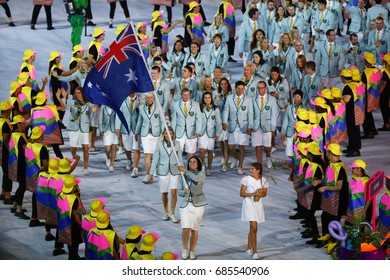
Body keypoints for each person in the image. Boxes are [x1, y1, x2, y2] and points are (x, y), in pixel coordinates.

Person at [316, 143, 349, 251]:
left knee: (333, 222)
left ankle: (334, 244)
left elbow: (339, 186)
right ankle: (326, 239)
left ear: (330, 153)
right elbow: (328, 180)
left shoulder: (339, 168)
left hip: (337, 201)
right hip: (328, 200)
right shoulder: (331, 164)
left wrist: (325, 188)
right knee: (324, 217)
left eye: (328, 152)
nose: (326, 154)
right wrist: (320, 181)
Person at [149, 126, 183, 222]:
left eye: (171, 133)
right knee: (164, 193)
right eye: (167, 133)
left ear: (173, 134)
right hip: (163, 171)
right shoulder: (159, 144)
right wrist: (151, 174)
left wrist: (182, 171)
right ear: (164, 134)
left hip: (174, 170)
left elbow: (180, 159)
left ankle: (172, 213)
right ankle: (166, 212)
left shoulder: (177, 144)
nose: (169, 135)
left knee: (174, 192)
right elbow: (155, 158)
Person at [178, 156, 207, 260]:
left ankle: (192, 250)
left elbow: (197, 180)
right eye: (190, 162)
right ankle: (185, 249)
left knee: (194, 229)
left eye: (194, 162)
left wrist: (185, 171)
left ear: (198, 164)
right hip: (185, 205)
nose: (192, 163)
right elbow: (179, 191)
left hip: (198, 205)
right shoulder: (182, 175)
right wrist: (184, 192)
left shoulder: (201, 173)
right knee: (186, 228)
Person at [222, 81, 253, 175]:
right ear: (235, 88)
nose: (240, 90)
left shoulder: (248, 99)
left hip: (243, 125)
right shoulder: (229, 98)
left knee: (241, 146)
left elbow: (250, 113)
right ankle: (236, 157)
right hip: (232, 125)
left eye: (242, 89)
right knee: (231, 147)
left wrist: (250, 126)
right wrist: (224, 122)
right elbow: (226, 110)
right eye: (238, 88)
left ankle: (240, 166)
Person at [240, 162, 268, 260]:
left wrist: (261, 194)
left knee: (252, 228)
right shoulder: (246, 179)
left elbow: (265, 194)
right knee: (254, 227)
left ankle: (248, 247)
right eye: (250, 169)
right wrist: (253, 194)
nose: (250, 170)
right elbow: (242, 193)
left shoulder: (263, 181)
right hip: (248, 205)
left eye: (252, 169)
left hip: (258, 205)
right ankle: (255, 251)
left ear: (258, 170)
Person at [134, 92, 165, 183]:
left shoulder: (159, 107)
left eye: (151, 97)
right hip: (145, 134)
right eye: (147, 98)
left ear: (154, 98)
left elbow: (162, 122)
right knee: (147, 155)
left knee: (155, 155)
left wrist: (163, 134)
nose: (149, 99)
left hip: (156, 134)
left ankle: (154, 170)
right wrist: (136, 132)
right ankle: (148, 176)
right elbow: (140, 121)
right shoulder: (141, 108)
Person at [25, 126, 49, 227]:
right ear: (40, 136)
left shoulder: (28, 145)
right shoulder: (41, 148)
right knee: (39, 198)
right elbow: (45, 165)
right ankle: (35, 218)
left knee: (34, 197)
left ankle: (34, 218)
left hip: (30, 175)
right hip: (40, 177)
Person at [57, 175, 84, 260]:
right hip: (73, 225)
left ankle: (74, 256)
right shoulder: (74, 199)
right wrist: (81, 224)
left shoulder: (61, 194)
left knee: (70, 243)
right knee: (74, 244)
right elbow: (75, 214)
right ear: (73, 187)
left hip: (64, 223)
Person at [31, 91, 65, 159]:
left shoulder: (33, 110)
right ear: (45, 100)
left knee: (40, 150)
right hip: (51, 134)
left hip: (39, 135)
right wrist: (59, 97)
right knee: (56, 150)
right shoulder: (51, 107)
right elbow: (63, 107)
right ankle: (62, 163)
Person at [253, 81, 278, 169]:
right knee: (258, 147)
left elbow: (274, 115)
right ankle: (259, 166)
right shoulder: (253, 99)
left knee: (267, 147)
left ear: (265, 88)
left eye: (262, 88)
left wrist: (273, 129)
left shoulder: (272, 99)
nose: (260, 90)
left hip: (267, 126)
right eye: (259, 88)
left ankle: (268, 156)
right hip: (256, 126)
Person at [171, 88, 202, 159]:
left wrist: (198, 131)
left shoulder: (195, 105)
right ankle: (179, 169)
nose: (186, 96)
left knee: (190, 153)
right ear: (181, 95)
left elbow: (199, 119)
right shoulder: (175, 105)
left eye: (188, 95)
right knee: (178, 153)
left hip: (192, 132)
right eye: (184, 95)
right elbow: (174, 120)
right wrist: (173, 133)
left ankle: (189, 169)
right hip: (179, 133)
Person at [115, 92, 141, 175]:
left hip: (136, 128)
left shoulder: (140, 100)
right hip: (125, 127)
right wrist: (117, 127)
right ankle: (129, 160)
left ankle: (136, 167)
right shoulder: (122, 100)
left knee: (136, 148)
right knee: (127, 147)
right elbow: (119, 114)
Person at [67, 87, 91, 175]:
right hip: (74, 128)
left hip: (84, 128)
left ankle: (85, 167)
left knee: (85, 148)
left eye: (79, 93)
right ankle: (75, 157)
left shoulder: (88, 104)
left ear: (82, 93)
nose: (77, 95)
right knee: (73, 148)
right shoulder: (72, 103)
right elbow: (63, 108)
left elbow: (91, 114)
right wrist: (60, 98)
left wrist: (93, 111)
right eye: (76, 93)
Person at [8, 115, 29, 220]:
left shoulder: (14, 134)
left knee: (21, 186)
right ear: (18, 124)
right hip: (22, 164)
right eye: (23, 123)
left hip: (16, 163)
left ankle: (15, 205)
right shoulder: (20, 136)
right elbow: (27, 150)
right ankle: (18, 209)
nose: (24, 124)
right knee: (23, 186)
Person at [198, 92, 222, 175]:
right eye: (205, 97)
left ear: (211, 98)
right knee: (201, 150)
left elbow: (219, 122)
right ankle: (203, 165)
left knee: (210, 151)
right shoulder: (200, 108)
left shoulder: (215, 109)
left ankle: (209, 168)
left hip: (211, 132)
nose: (207, 99)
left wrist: (218, 133)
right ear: (203, 98)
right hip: (202, 132)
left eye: (209, 97)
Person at [361, 52, 382, 139]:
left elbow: (363, 86)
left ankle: (368, 132)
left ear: (366, 61)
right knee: (369, 113)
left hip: (367, 96)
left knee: (365, 114)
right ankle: (373, 129)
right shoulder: (378, 70)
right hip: (376, 96)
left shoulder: (365, 72)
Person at [344, 159, 371, 225]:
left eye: (353, 168)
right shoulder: (353, 178)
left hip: (360, 210)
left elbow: (369, 198)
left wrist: (364, 212)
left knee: (357, 230)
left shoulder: (366, 181)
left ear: (359, 169)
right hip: (350, 209)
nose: (352, 170)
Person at [0, 101, 13, 205]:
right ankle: (8, 195)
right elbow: (5, 139)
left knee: (5, 171)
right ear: (7, 111)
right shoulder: (5, 123)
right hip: (4, 150)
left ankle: (3, 192)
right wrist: (10, 151)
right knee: (8, 172)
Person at [99, 105, 118, 172]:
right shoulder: (103, 106)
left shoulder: (116, 105)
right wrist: (101, 129)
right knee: (108, 148)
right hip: (106, 130)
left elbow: (119, 118)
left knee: (114, 147)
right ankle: (108, 157)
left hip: (115, 129)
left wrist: (118, 129)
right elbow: (100, 118)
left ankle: (112, 165)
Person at [379, 54, 390, 131]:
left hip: (385, 93)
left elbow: (383, 84)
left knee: (384, 108)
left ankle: (387, 124)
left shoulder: (385, 72)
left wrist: (378, 93)